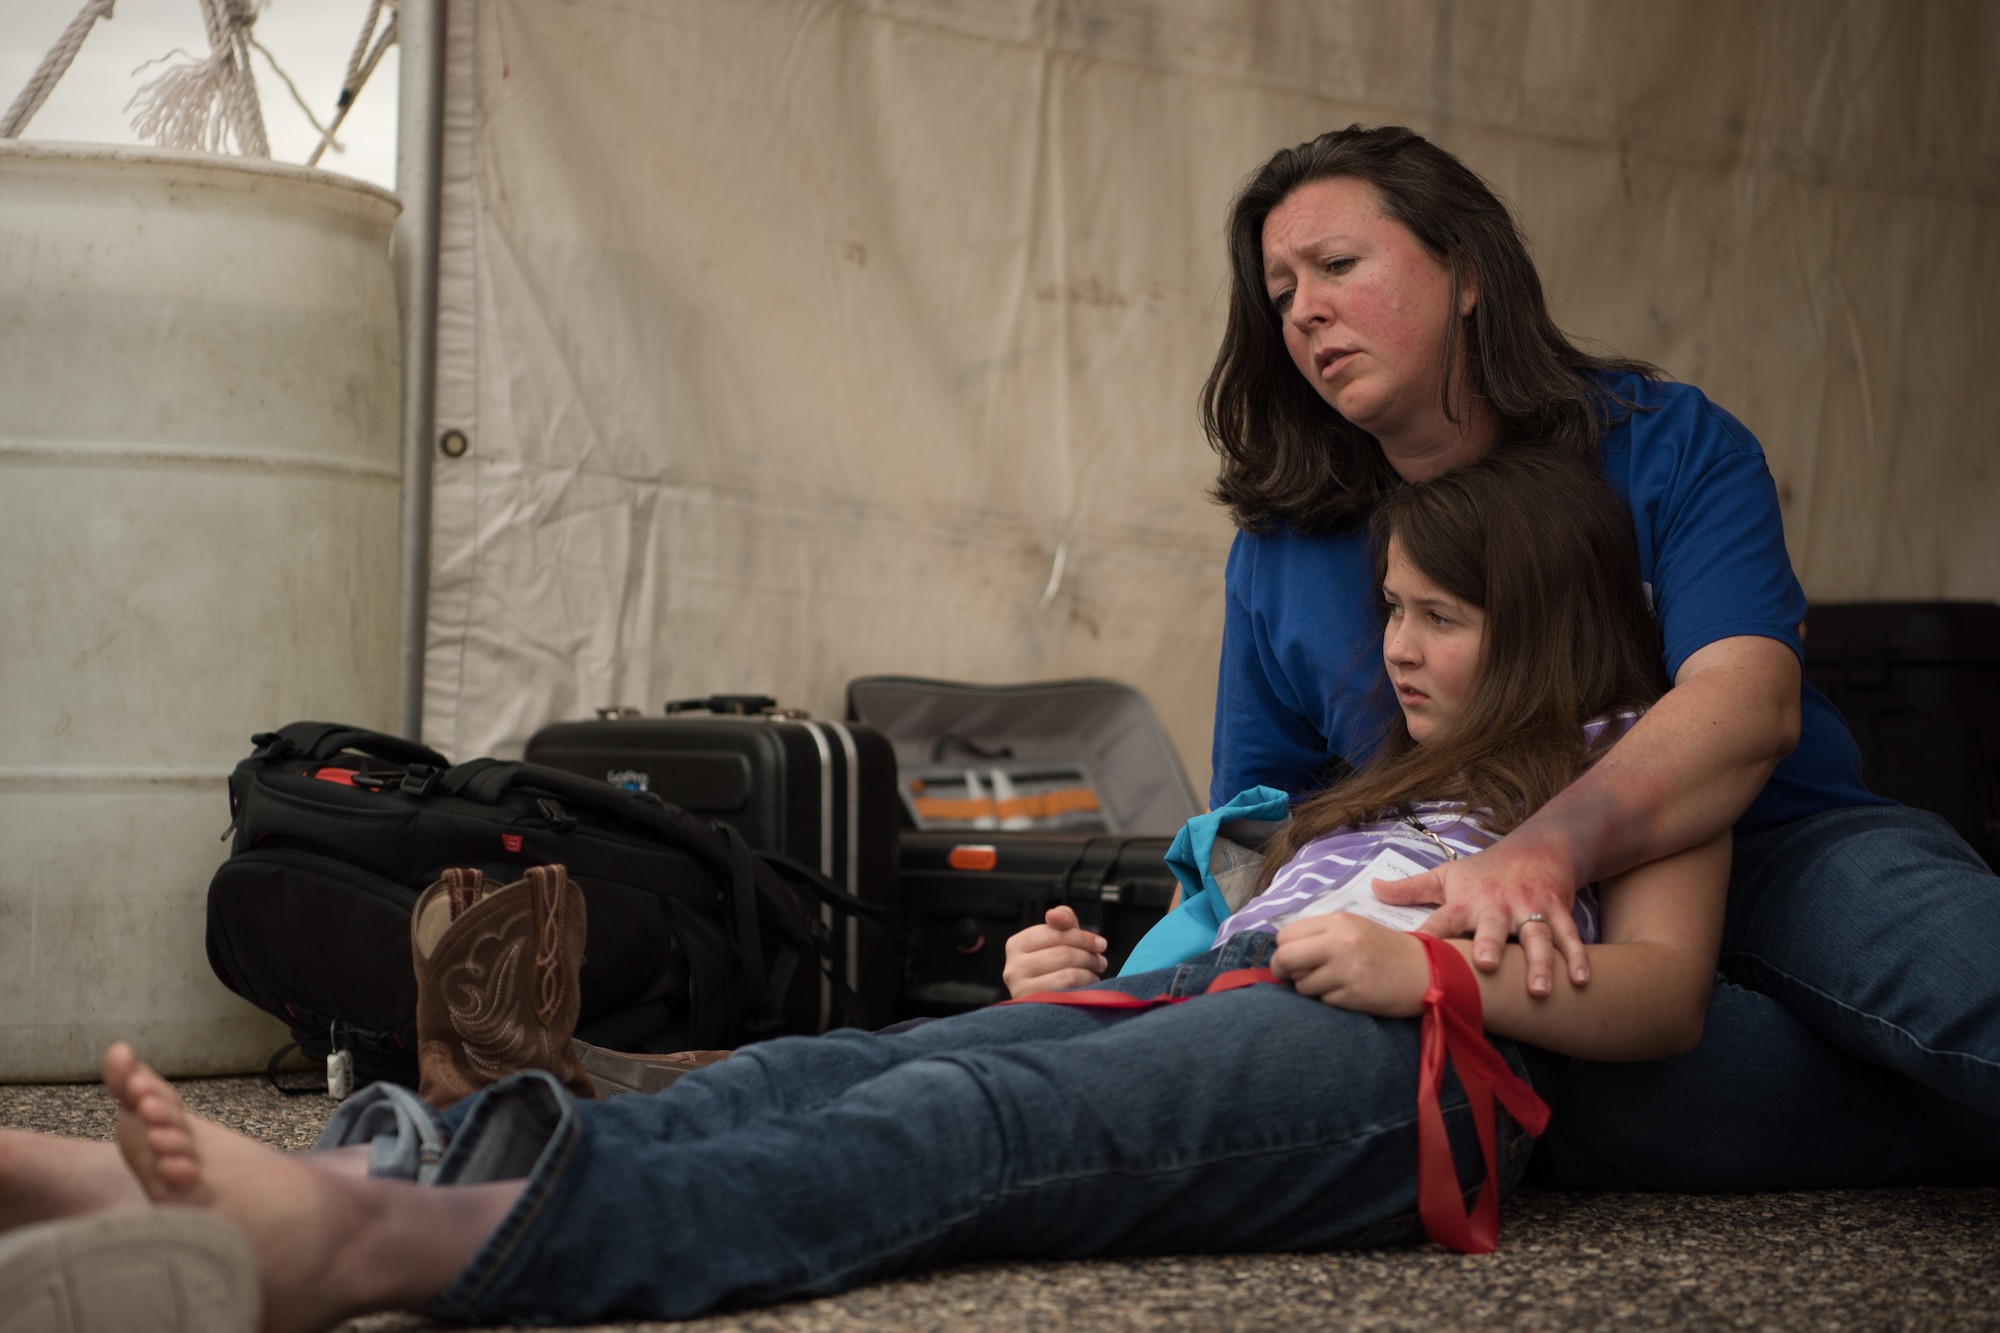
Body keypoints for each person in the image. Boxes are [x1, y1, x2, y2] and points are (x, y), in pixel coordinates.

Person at [12, 451, 1727, 1330]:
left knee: (961, 1122)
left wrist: (1427, 974)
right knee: (819, 1065)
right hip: (1224, 1002)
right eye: (1394, 612)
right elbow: (1232, 947)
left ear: (1552, 622)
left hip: (1394, 1077)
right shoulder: (1397, 785)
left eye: (1439, 616)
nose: (1398, 650)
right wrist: (1104, 961)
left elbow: (1658, 995)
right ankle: (310, 1175)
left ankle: (388, 1237)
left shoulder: (1628, 758)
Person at [1010, 123, 2000, 1191]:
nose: (1302, 309)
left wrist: (1544, 847)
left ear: (1467, 271)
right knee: (1558, 1088)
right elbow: (1258, 827)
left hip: (1774, 838)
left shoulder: (1666, 440)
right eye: (1279, 288)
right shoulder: (1279, 547)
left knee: (1946, 964)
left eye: (1337, 266)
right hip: (1486, 930)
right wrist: (1129, 979)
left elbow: (1747, 701)